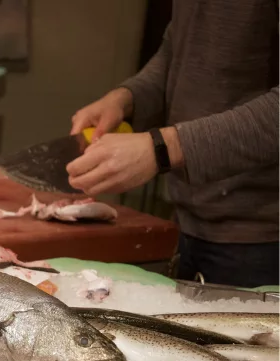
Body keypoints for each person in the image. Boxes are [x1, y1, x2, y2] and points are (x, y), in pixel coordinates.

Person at [66, 0, 278, 288]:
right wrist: (128, 98)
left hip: (263, 243)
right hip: (189, 223)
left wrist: (165, 147)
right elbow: (179, 49)